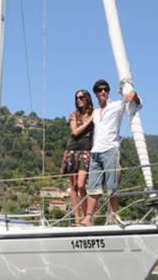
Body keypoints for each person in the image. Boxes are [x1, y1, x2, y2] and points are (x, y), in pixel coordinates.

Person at [80, 79, 141, 226]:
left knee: (113, 185)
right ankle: (88, 218)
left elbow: (137, 104)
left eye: (106, 89)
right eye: (100, 90)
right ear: (95, 93)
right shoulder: (95, 112)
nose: (103, 92)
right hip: (95, 152)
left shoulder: (117, 106)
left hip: (110, 150)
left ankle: (112, 216)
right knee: (93, 187)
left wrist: (133, 94)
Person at [60, 89, 94, 226]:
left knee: (81, 185)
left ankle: (87, 219)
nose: (79, 99)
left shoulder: (94, 113)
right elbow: (75, 131)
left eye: (81, 97)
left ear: (87, 98)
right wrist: (89, 122)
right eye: (77, 98)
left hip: (86, 151)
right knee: (73, 186)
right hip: (72, 150)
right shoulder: (74, 115)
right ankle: (77, 219)